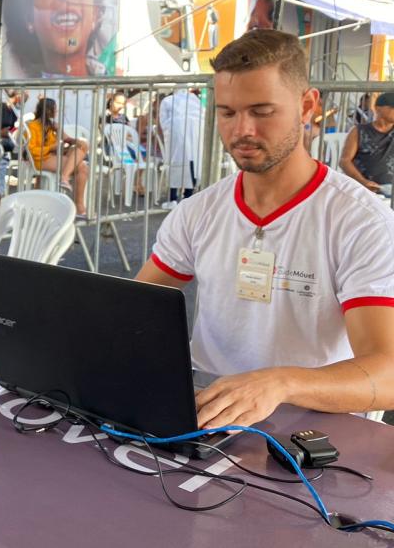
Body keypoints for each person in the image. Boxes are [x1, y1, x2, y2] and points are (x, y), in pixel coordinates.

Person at [136, 29, 394, 429]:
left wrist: (280, 383)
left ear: (307, 106)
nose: (242, 131)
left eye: (261, 111)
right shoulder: (198, 212)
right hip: (206, 411)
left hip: (313, 427)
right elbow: (134, 306)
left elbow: (387, 372)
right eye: (227, 112)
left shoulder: (361, 222)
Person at [26, 97, 88, 217]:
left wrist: (76, 140)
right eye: (54, 110)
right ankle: (79, 206)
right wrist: (51, 148)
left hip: (54, 154)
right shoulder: (32, 126)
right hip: (41, 159)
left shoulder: (52, 125)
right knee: (83, 167)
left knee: (82, 147)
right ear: (48, 111)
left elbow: (67, 139)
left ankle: (65, 181)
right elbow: (32, 151)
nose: (56, 112)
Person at [340, 91, 394, 196]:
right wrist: (363, 182)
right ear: (379, 108)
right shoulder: (359, 131)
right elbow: (345, 161)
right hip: (363, 191)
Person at [158, 88, 202, 207]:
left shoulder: (168, 100)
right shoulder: (196, 101)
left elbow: (163, 121)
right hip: (196, 133)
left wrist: (170, 129)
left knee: (175, 163)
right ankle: (188, 196)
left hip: (176, 135)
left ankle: (173, 197)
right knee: (193, 162)